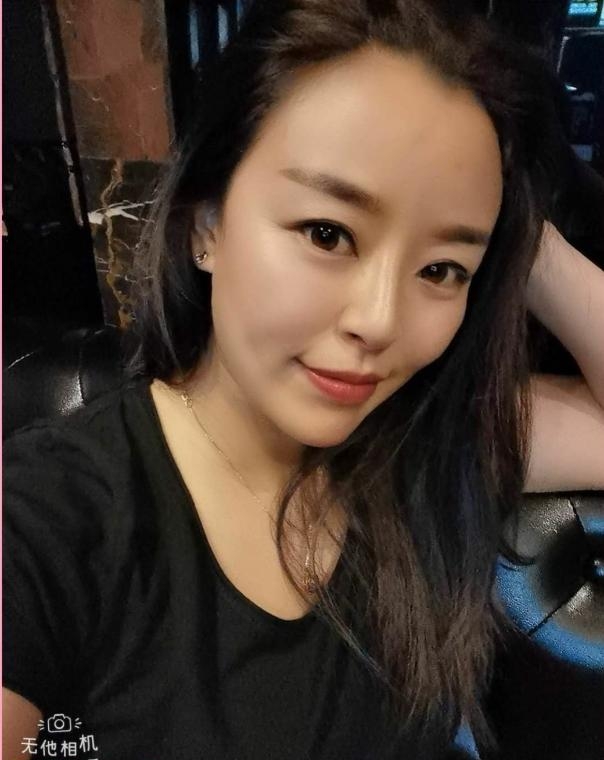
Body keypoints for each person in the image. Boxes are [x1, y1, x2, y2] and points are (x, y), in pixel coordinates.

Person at [3, 1, 604, 758]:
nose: (380, 321)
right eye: (328, 233)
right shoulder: (49, 519)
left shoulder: (417, 445)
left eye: (442, 269)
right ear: (206, 224)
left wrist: (513, 229)